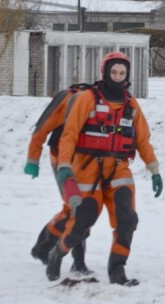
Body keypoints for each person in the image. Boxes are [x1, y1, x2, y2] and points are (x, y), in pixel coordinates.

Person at [46, 51, 163, 286]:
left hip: (118, 168)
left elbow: (142, 140)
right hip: (86, 168)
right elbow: (69, 135)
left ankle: (117, 271)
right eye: (114, 72)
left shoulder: (131, 104)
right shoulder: (86, 99)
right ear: (105, 72)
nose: (118, 76)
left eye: (122, 73)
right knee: (82, 220)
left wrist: (154, 169)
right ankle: (56, 254)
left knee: (127, 219)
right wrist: (65, 167)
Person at [24, 83, 94, 275]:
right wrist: (33, 159)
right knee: (75, 207)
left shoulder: (108, 100)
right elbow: (42, 128)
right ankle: (45, 249)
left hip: (86, 159)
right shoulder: (68, 97)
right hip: (61, 156)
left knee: (85, 207)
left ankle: (76, 262)